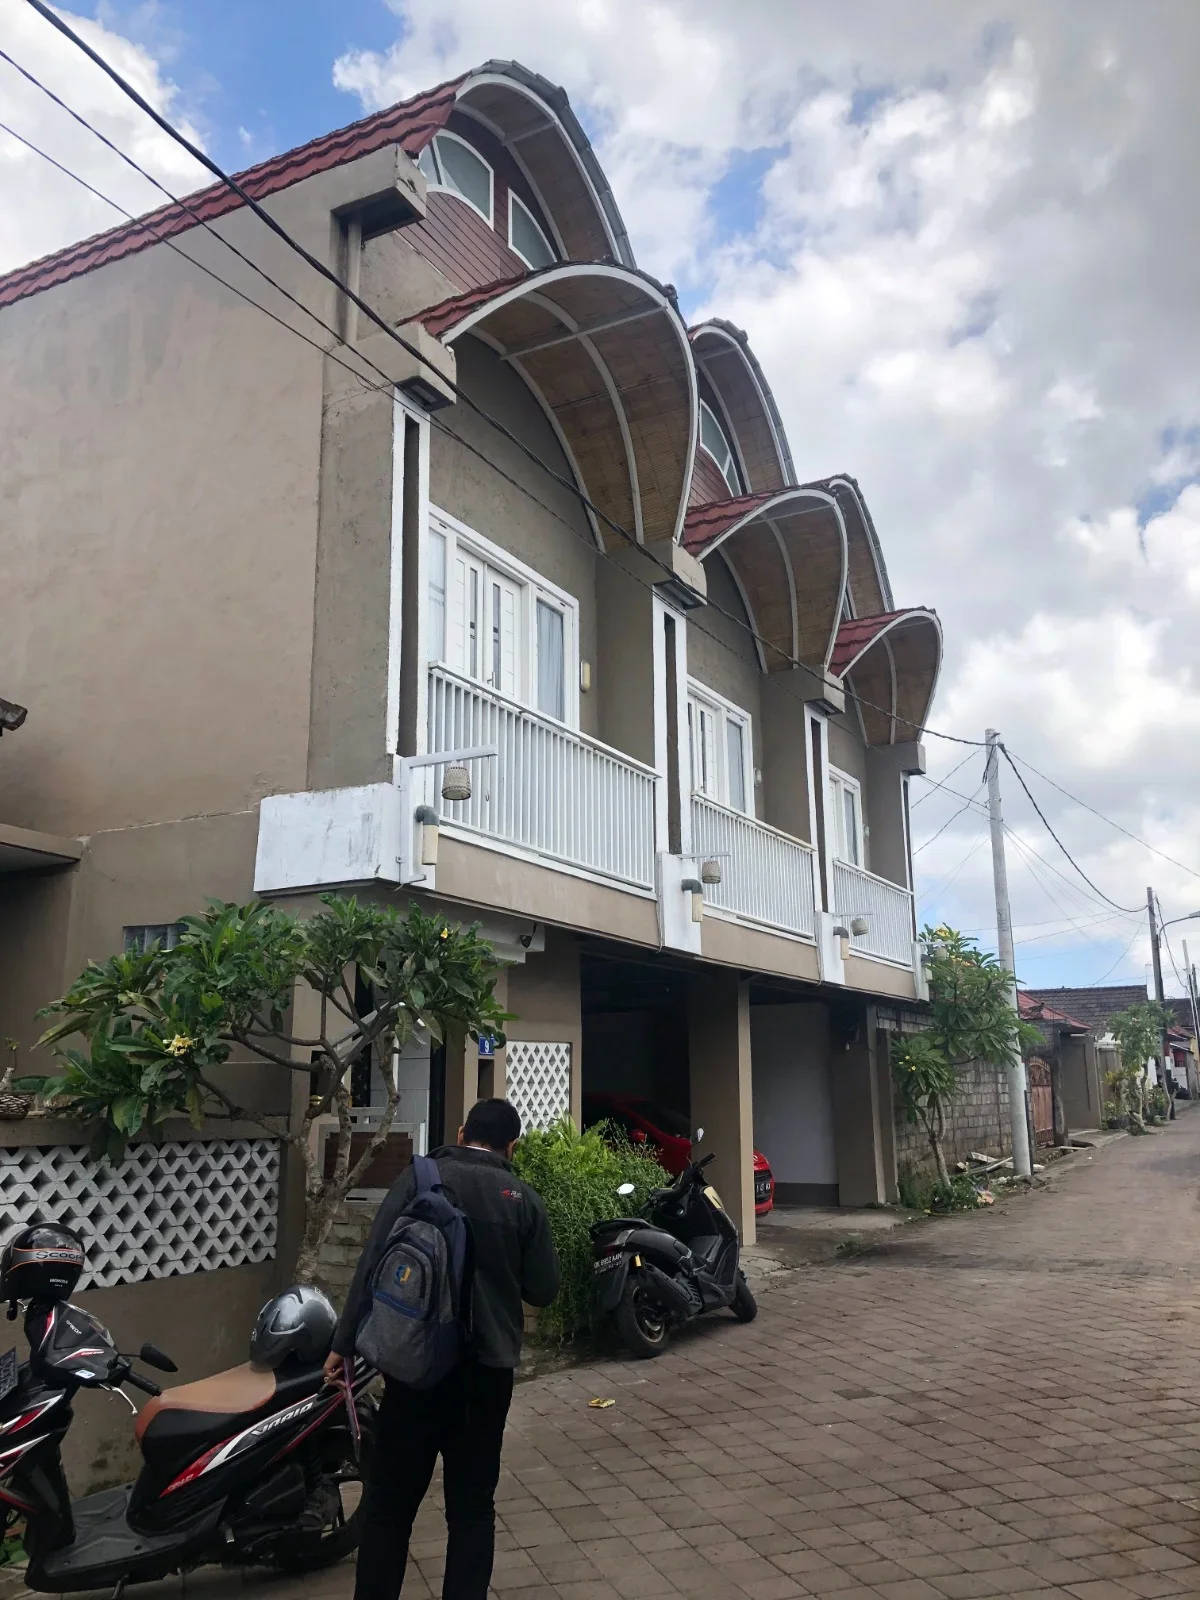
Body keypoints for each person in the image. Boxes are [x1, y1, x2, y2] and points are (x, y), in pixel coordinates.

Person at [324, 1098, 559, 1600]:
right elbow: (544, 1289)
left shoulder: (418, 1180)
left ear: (460, 1132)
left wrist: (344, 1345)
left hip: (413, 1369)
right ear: (512, 1147)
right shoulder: (522, 1198)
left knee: (389, 1508)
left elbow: (372, 1262)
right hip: (486, 1377)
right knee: (471, 1511)